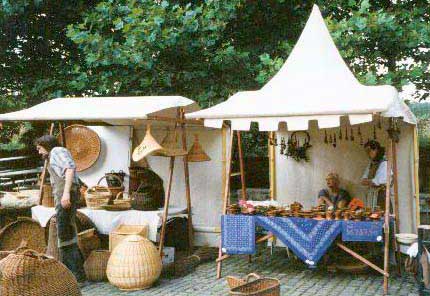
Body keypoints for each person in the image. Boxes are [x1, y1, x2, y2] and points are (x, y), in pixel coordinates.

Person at [35, 135, 86, 283]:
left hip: (65, 195)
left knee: (65, 233)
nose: (39, 152)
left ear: (46, 144)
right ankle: (77, 273)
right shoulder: (54, 154)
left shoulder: (57, 151)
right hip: (65, 195)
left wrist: (66, 194)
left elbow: (70, 169)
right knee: (67, 231)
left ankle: (75, 275)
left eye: (39, 148)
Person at [360, 140, 389, 211]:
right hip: (372, 196)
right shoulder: (371, 164)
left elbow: (376, 182)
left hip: (381, 196)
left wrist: (370, 182)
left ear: (376, 150)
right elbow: (362, 181)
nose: (368, 154)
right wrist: (370, 182)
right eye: (366, 152)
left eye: (369, 151)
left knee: (381, 216)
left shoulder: (384, 163)